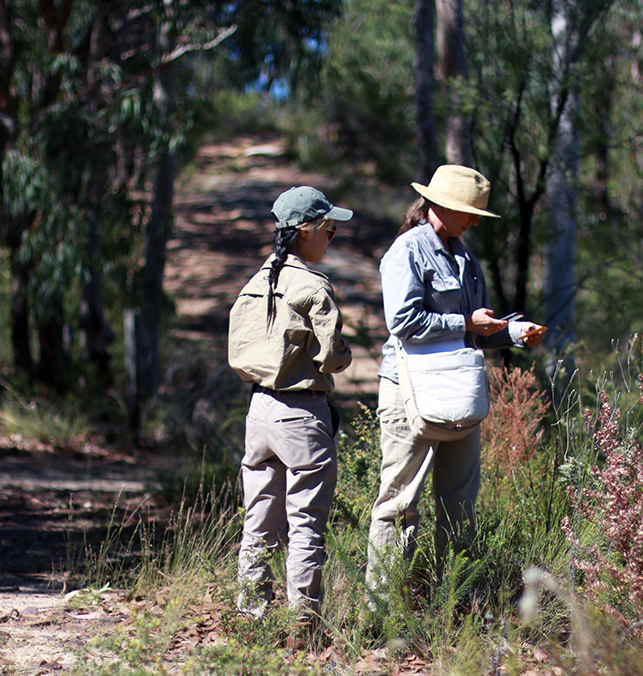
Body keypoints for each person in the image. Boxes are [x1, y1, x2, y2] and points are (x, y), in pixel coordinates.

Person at [366, 165, 545, 593]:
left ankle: (455, 601)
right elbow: (403, 321)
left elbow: (476, 329)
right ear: (439, 206)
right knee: (399, 503)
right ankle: (384, 610)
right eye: (469, 212)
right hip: (410, 393)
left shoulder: (465, 258)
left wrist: (514, 333)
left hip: (458, 392)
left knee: (460, 504)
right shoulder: (406, 251)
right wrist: (466, 320)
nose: (474, 222)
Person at [227, 186, 353, 626]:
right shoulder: (313, 287)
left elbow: (240, 352)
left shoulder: (255, 283)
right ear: (304, 232)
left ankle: (251, 616)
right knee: (306, 521)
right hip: (301, 412)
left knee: (258, 519)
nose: (332, 237)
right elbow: (333, 356)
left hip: (258, 410)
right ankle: (303, 623)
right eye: (329, 231)